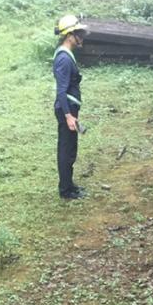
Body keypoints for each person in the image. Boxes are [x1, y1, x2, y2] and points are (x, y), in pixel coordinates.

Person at [53, 14, 88, 200]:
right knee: (66, 149)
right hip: (66, 110)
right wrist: (68, 115)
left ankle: (70, 185)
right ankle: (65, 191)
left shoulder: (66, 54)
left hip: (70, 109)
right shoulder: (64, 59)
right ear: (69, 36)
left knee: (71, 147)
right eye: (78, 34)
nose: (81, 37)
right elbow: (61, 90)